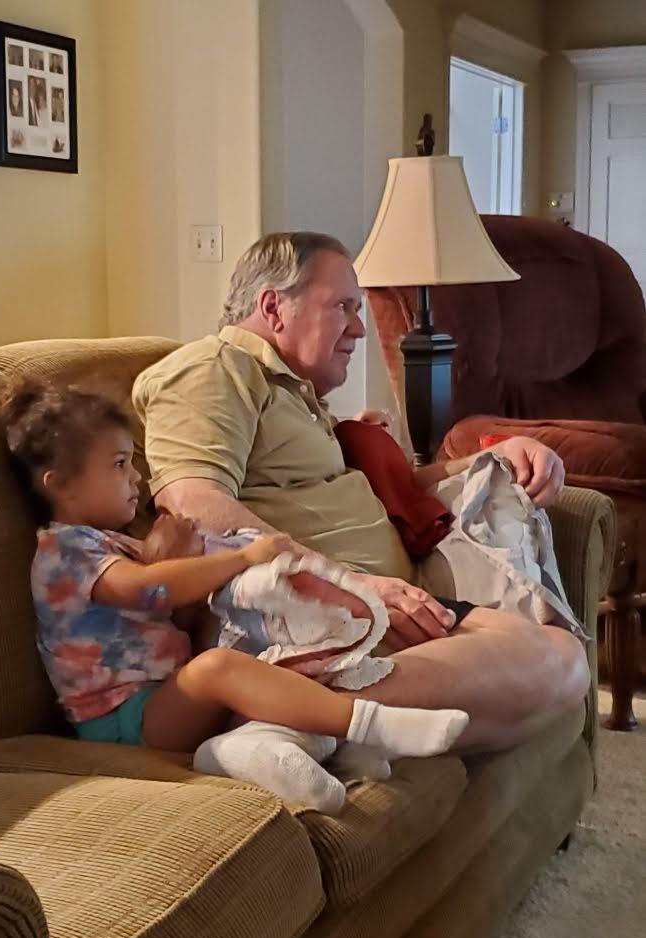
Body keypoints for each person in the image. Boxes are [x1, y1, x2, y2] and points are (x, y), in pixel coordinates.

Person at [133, 231, 590, 753]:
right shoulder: (212, 368)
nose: (358, 329)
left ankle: (307, 729)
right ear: (273, 307)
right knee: (545, 660)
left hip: (378, 606)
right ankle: (279, 708)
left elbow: (394, 489)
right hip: (326, 615)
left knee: (565, 657)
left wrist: (499, 457)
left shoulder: (295, 395)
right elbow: (192, 502)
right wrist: (353, 584)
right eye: (343, 308)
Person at [0, 378, 468, 812]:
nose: (136, 477)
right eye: (119, 465)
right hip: (123, 721)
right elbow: (144, 589)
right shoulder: (65, 549)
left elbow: (167, 617)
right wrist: (243, 558)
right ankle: (372, 724)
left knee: (265, 663)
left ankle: (285, 751)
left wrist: (177, 563)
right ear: (61, 485)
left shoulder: (116, 544)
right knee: (217, 669)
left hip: (164, 702)